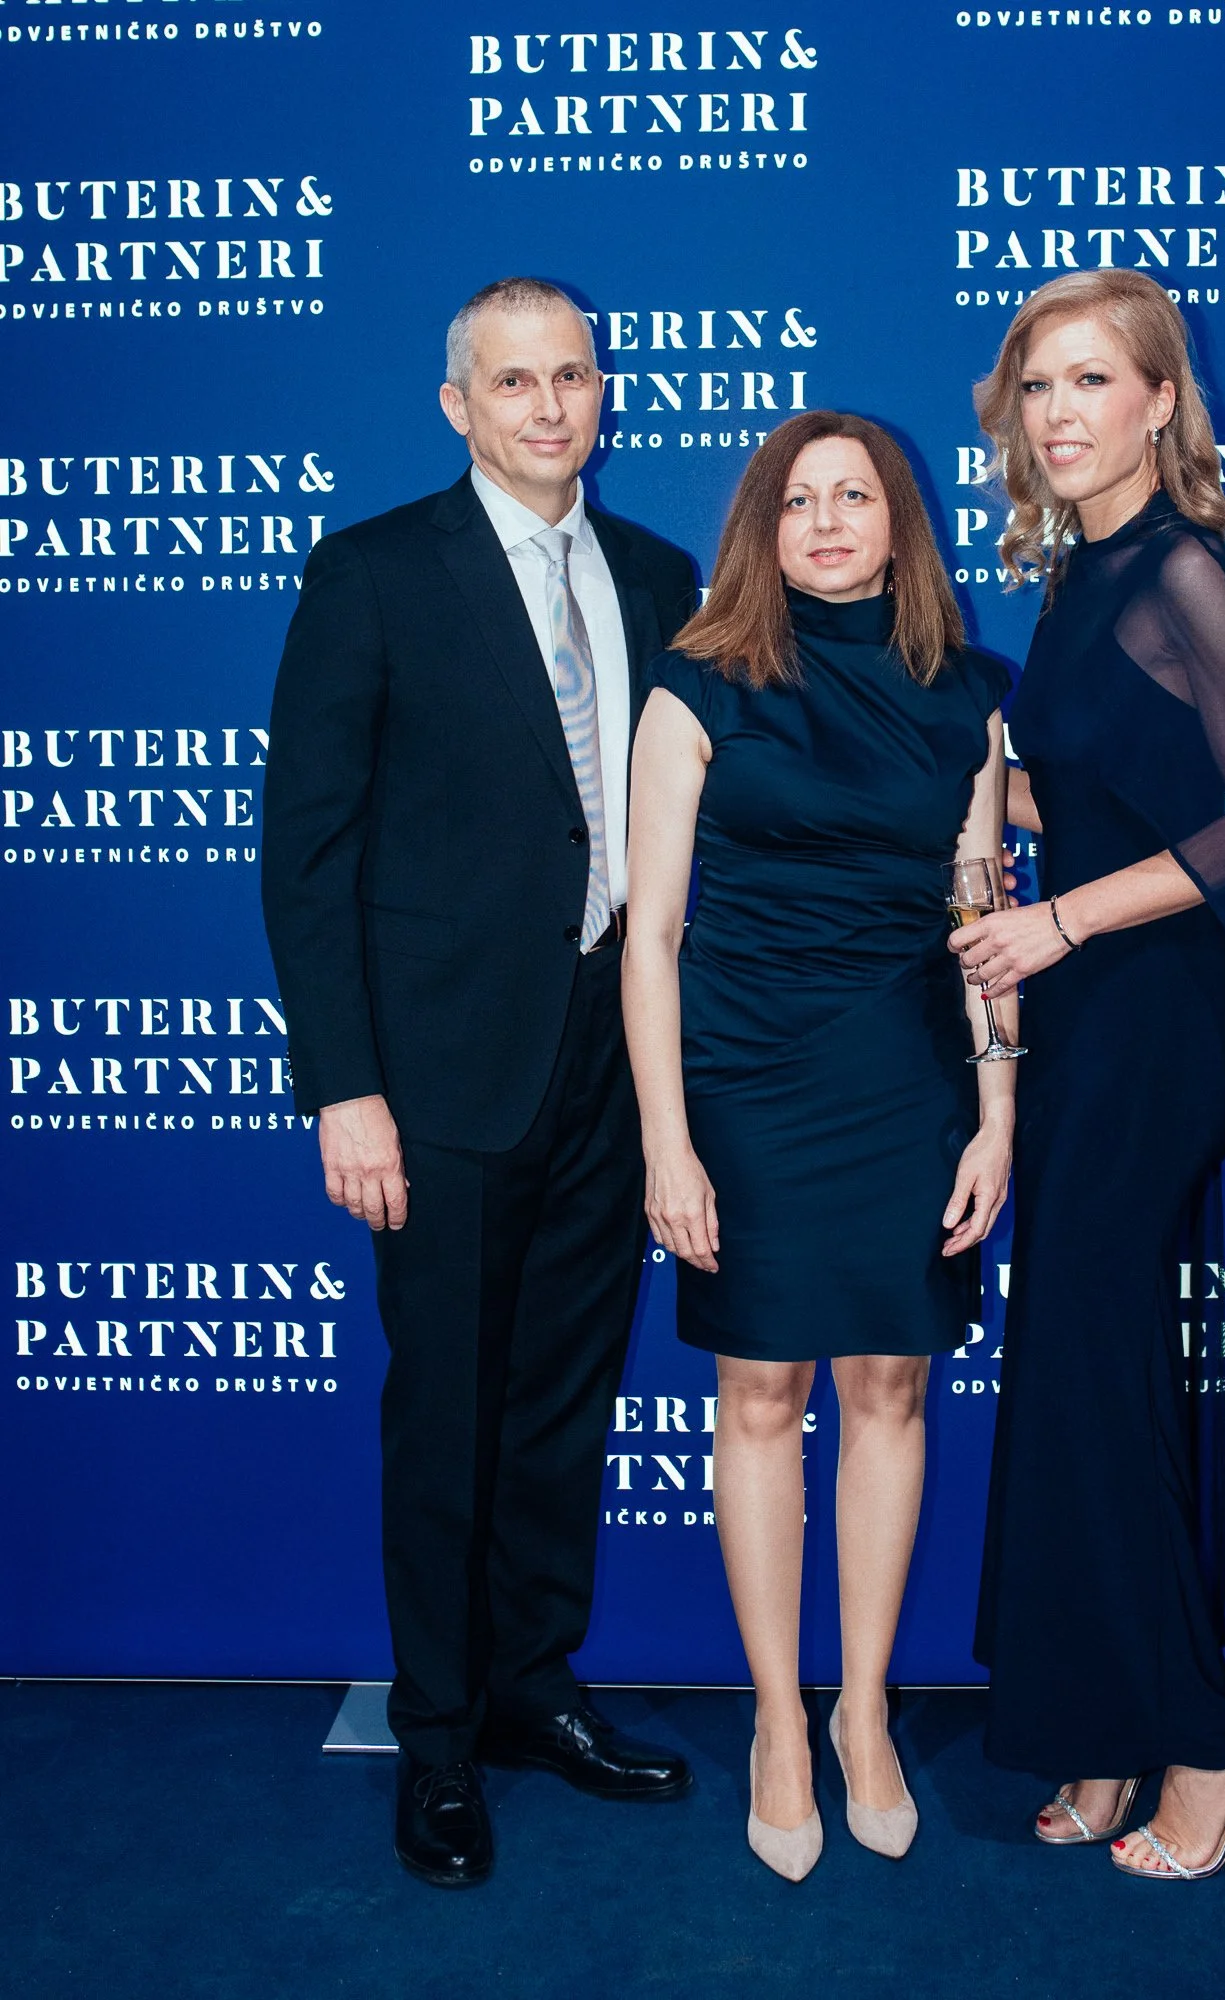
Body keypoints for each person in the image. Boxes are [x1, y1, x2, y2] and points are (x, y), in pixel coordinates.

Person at [262, 277, 699, 1889]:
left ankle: (532, 1688)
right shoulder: (375, 572)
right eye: (512, 382)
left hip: (607, 1053)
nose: (546, 406)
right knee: (447, 1410)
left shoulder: (656, 576)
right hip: (439, 1075)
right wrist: (344, 1086)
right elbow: (306, 852)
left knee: (563, 1400)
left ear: (603, 391)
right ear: (458, 405)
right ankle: (438, 1739)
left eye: (570, 375)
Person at [953, 270, 1225, 1880]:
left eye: (1092, 381)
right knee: (1077, 1378)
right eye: (1038, 386)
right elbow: (1097, 795)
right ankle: (1101, 1721)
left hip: (1158, 1022)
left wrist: (1057, 922)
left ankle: (1211, 1747)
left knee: (1100, 1379)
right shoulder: (1071, 577)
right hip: (1089, 1020)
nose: (1059, 414)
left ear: (1162, 400)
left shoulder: (1181, 571)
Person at [622, 411, 1016, 1880]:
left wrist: (997, 1115)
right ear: (763, 528)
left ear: (900, 522)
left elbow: (981, 915)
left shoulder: (965, 696)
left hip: (906, 1077)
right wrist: (667, 1142)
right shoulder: (699, 684)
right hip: (744, 1078)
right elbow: (650, 937)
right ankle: (779, 1722)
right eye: (800, 500)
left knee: (890, 1388)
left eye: (857, 495)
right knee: (760, 1392)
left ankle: (862, 1714)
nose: (830, 520)